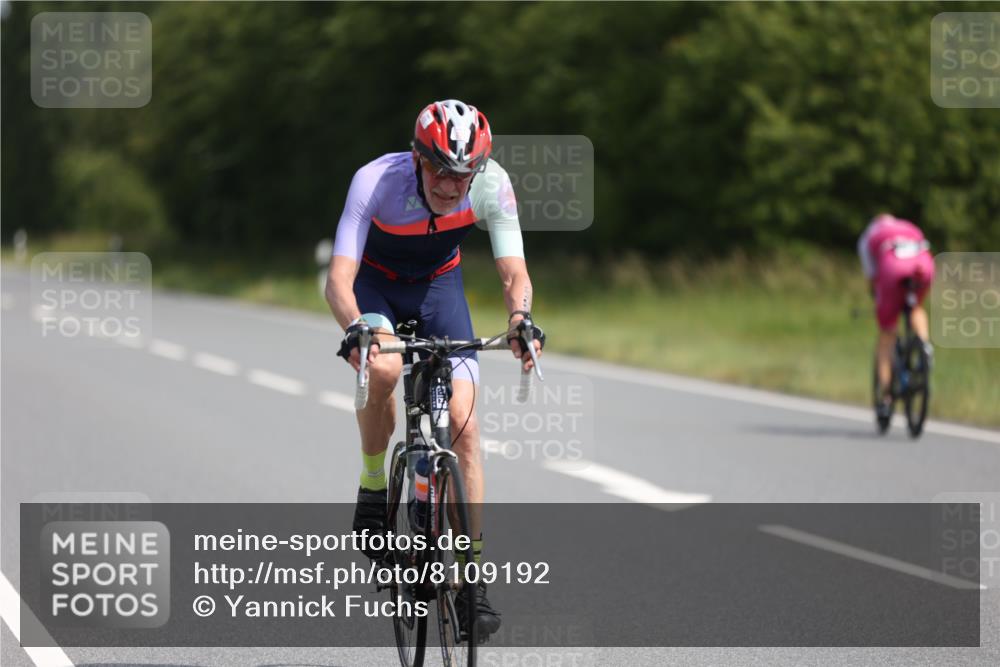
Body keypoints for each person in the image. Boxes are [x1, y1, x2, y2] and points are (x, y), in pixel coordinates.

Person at [325, 99, 544, 639]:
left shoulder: (493, 185)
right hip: (374, 286)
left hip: (439, 289)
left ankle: (471, 581)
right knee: (382, 370)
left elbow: (514, 270)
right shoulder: (376, 180)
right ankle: (374, 492)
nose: (451, 186)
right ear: (418, 158)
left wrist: (520, 318)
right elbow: (338, 280)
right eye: (441, 171)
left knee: (465, 429)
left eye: (463, 174)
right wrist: (355, 326)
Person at [857, 213, 934, 420]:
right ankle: (924, 344)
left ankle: (886, 395)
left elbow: (873, 277)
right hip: (923, 264)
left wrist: (878, 299)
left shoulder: (868, 237)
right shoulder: (910, 226)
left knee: (887, 333)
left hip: (893, 267)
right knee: (916, 307)